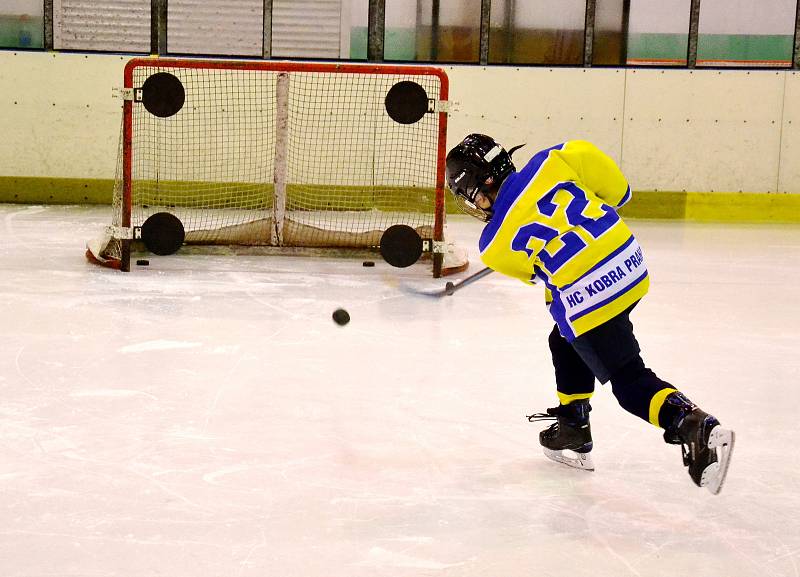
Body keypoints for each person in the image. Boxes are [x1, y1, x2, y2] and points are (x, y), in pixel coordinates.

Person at [445, 134, 735, 494]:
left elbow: (539, 275)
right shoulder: (557, 157)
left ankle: (691, 423)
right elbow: (620, 192)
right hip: (630, 263)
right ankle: (573, 425)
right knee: (562, 338)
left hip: (593, 295)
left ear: (480, 187)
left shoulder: (492, 245)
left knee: (629, 381)